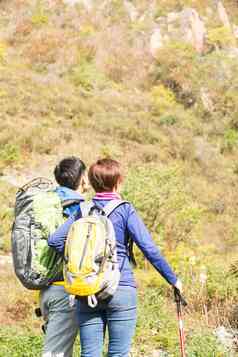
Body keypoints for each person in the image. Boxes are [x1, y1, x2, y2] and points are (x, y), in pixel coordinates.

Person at [48, 158, 182, 357]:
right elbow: (149, 248)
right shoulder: (124, 209)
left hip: (87, 288)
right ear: (118, 181)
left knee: (90, 354)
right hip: (119, 287)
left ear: (92, 182)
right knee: (118, 354)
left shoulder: (82, 210)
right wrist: (174, 279)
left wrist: (79, 261)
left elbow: (55, 240)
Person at [40, 156, 87, 357]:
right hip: (64, 291)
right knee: (55, 353)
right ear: (83, 179)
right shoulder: (78, 207)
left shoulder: (48, 201)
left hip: (45, 289)